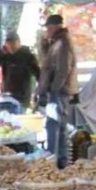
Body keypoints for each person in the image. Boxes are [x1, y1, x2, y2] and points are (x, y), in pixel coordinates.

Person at [35, 14, 79, 167]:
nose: (46, 30)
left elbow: (62, 70)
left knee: (53, 126)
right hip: (60, 91)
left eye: (48, 27)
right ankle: (60, 160)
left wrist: (52, 89)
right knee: (59, 126)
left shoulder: (62, 44)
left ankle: (54, 160)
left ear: (54, 27)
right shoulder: (57, 43)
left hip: (59, 92)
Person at [0, 32, 40, 109]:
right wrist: (1, 53)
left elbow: (38, 73)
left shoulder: (27, 56)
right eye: (8, 44)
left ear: (19, 43)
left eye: (13, 43)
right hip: (7, 94)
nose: (11, 46)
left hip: (22, 95)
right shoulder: (5, 55)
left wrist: (40, 91)